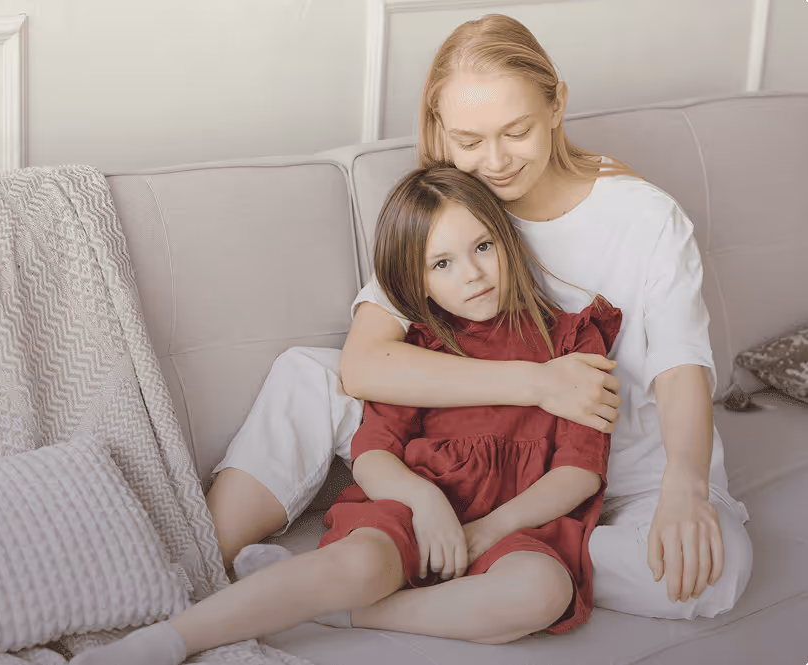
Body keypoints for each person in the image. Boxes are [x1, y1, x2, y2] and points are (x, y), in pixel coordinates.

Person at [206, 12, 752, 621]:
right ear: (442, 131)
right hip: (462, 453)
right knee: (307, 373)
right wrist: (539, 383)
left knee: (712, 574)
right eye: (469, 142)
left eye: (515, 131)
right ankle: (200, 566)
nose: (494, 161)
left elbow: (682, 368)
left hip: (609, 478)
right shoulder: (455, 206)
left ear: (556, 107)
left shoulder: (646, 218)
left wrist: (687, 484)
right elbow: (364, 363)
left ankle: (361, 591)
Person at [72, 165, 623, 664]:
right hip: (412, 506)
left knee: (542, 592)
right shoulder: (420, 348)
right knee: (358, 565)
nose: (472, 276)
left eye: (483, 247)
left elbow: (579, 470)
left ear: (507, 239)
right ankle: (166, 640)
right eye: (443, 264)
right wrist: (424, 500)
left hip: (510, 527)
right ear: (415, 282)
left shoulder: (572, 339)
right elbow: (374, 452)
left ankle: (352, 614)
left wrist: (487, 531)